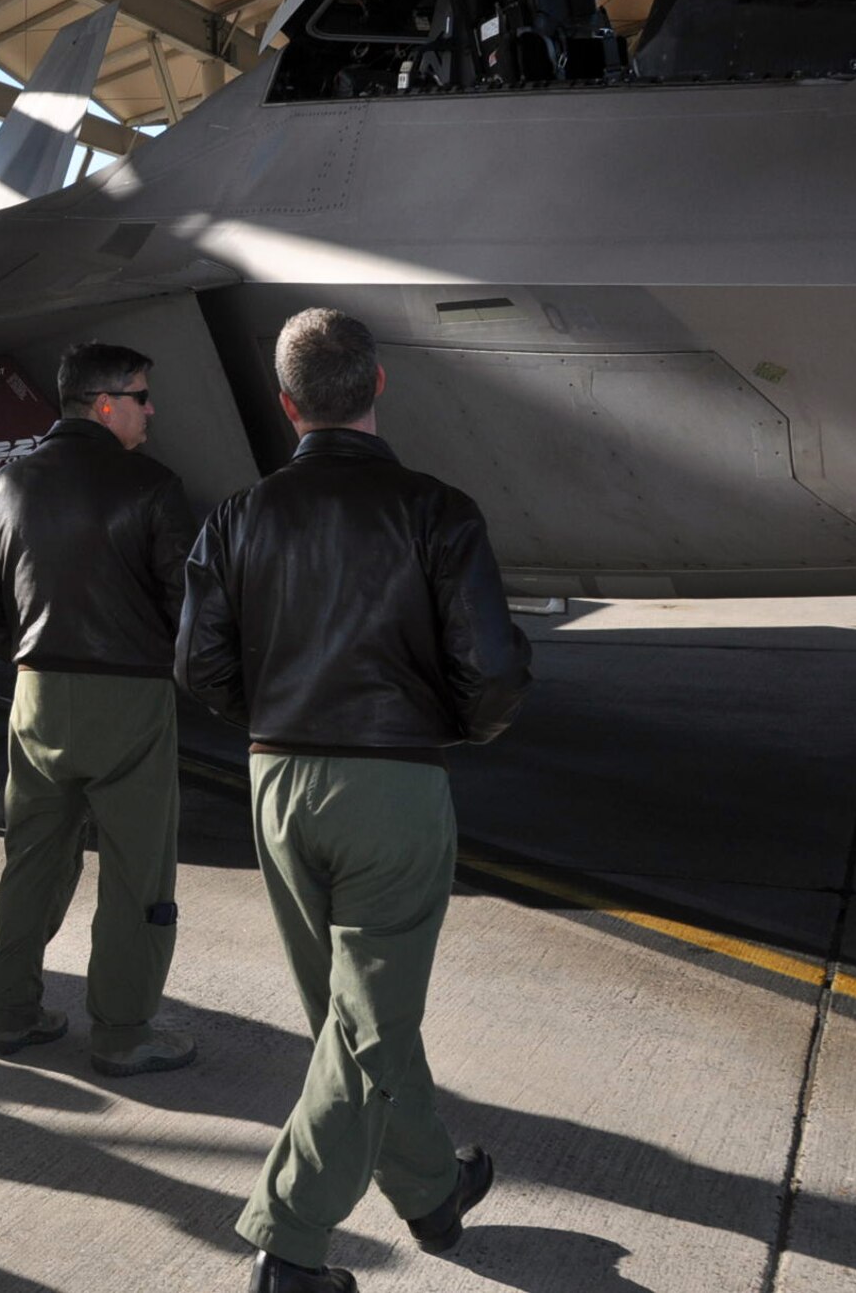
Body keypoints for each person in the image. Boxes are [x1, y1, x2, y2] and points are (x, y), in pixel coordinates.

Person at [176, 309, 532, 1293]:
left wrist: (281, 711)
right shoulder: (438, 510)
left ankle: (428, 1190)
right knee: (364, 1021)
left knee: (352, 1019)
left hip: (276, 780)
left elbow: (198, 664)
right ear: (377, 385)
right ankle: (288, 1249)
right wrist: (447, 729)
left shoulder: (234, 517)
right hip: (389, 782)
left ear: (287, 407)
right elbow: (490, 669)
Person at [0, 342, 198, 1078]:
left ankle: (9, 1013)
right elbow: (188, 604)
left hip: (35, 698)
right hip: (128, 699)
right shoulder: (152, 486)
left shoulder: (4, 485)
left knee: (31, 860)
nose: (152, 410)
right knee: (137, 875)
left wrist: (29, 651)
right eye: (142, 396)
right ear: (104, 403)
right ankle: (123, 1032)